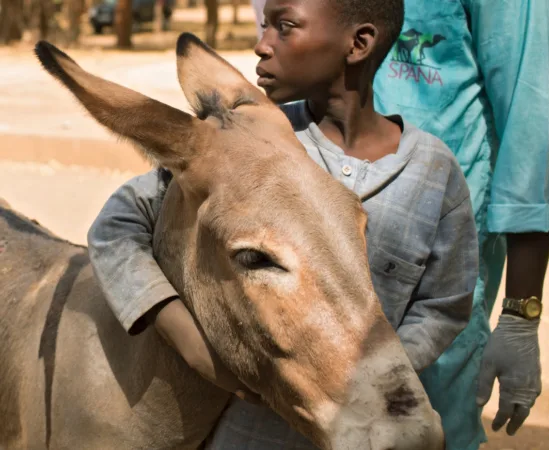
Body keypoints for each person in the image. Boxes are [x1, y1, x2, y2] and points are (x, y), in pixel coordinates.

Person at [87, 0, 480, 447]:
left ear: (359, 43)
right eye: (263, 25)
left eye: (284, 27)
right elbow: (117, 225)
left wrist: (375, 376)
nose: (261, 45)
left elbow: (443, 304)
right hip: (250, 431)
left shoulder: (434, 170)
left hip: (375, 430)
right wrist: (183, 335)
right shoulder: (242, 146)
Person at [372, 1, 549, 449]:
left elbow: (528, 116)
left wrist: (521, 314)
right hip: (333, 226)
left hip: (442, 249)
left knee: (430, 421)